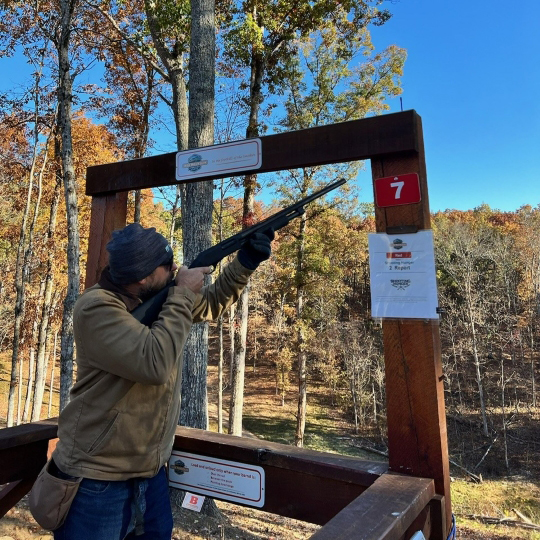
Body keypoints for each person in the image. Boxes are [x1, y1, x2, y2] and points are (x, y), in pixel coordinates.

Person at [48, 223, 273, 540]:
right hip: (97, 479)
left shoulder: (158, 295)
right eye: (168, 266)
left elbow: (209, 303)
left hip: (150, 474)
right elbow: (154, 362)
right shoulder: (96, 306)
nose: (176, 269)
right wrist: (181, 292)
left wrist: (245, 262)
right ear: (141, 276)